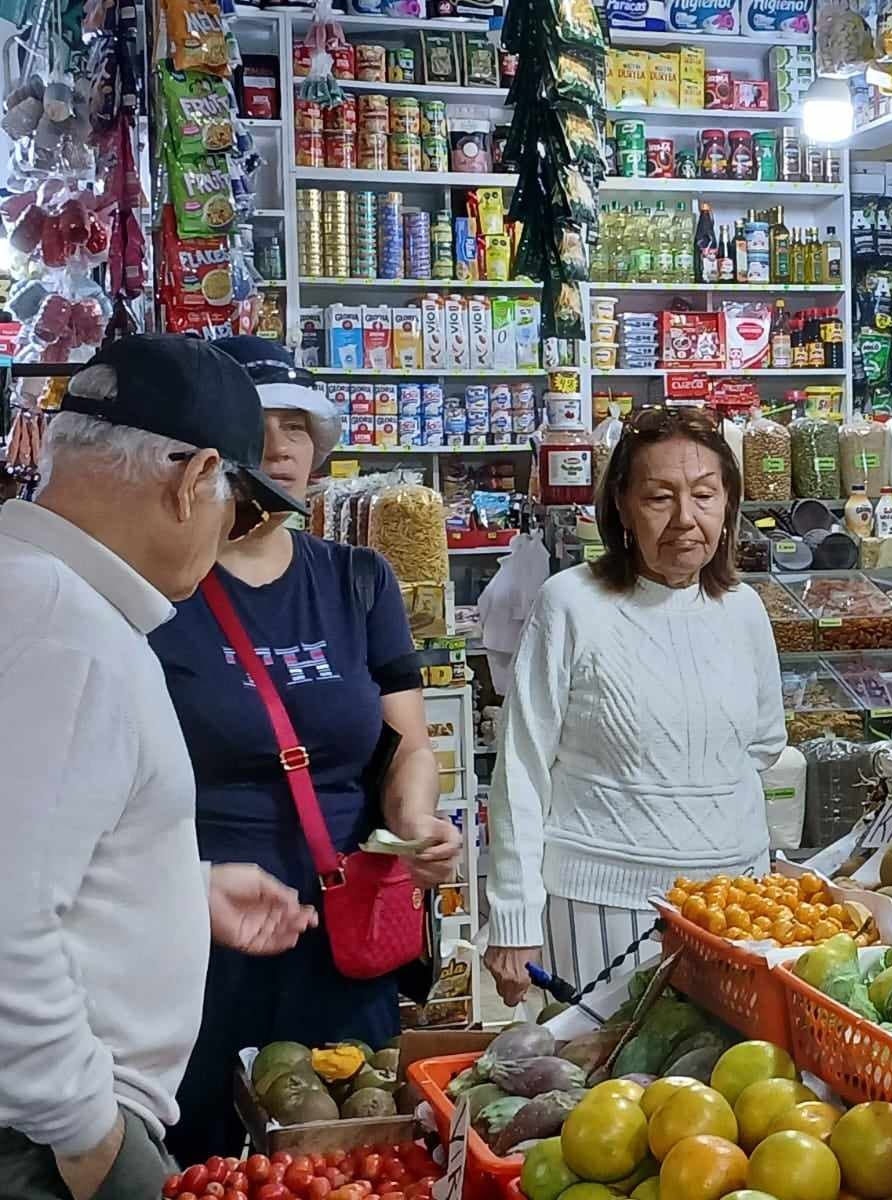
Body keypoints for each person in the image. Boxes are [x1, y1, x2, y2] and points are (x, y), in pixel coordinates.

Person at [0, 335, 318, 1200]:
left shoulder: (29, 589)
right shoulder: (63, 628)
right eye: (241, 510)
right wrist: (90, 1138)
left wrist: (175, 889)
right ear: (194, 478)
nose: (230, 537)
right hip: (41, 1141)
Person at [147, 336, 462, 1163]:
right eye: (258, 425)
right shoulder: (158, 588)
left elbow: (407, 744)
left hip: (343, 930)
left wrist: (414, 822)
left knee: (350, 1154)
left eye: (299, 426)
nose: (281, 447)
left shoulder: (359, 578)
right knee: (206, 1156)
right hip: (199, 931)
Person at [484, 406, 787, 1006]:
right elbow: (521, 765)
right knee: (606, 1083)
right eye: (659, 497)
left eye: (704, 495)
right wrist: (514, 920)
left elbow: (762, 745)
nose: (685, 519)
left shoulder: (745, 609)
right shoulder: (571, 603)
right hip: (601, 905)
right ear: (621, 505)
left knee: (731, 1084)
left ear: (728, 504)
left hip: (739, 903)